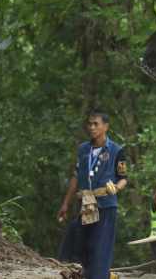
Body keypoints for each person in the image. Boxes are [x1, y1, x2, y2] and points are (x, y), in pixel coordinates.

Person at [57, 110, 128, 279]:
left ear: (106, 126)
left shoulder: (117, 150)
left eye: (96, 124)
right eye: (89, 124)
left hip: (106, 205)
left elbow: (124, 178)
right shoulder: (83, 149)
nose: (92, 127)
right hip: (85, 205)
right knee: (77, 243)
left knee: (100, 249)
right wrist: (65, 204)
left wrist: (116, 188)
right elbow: (76, 176)